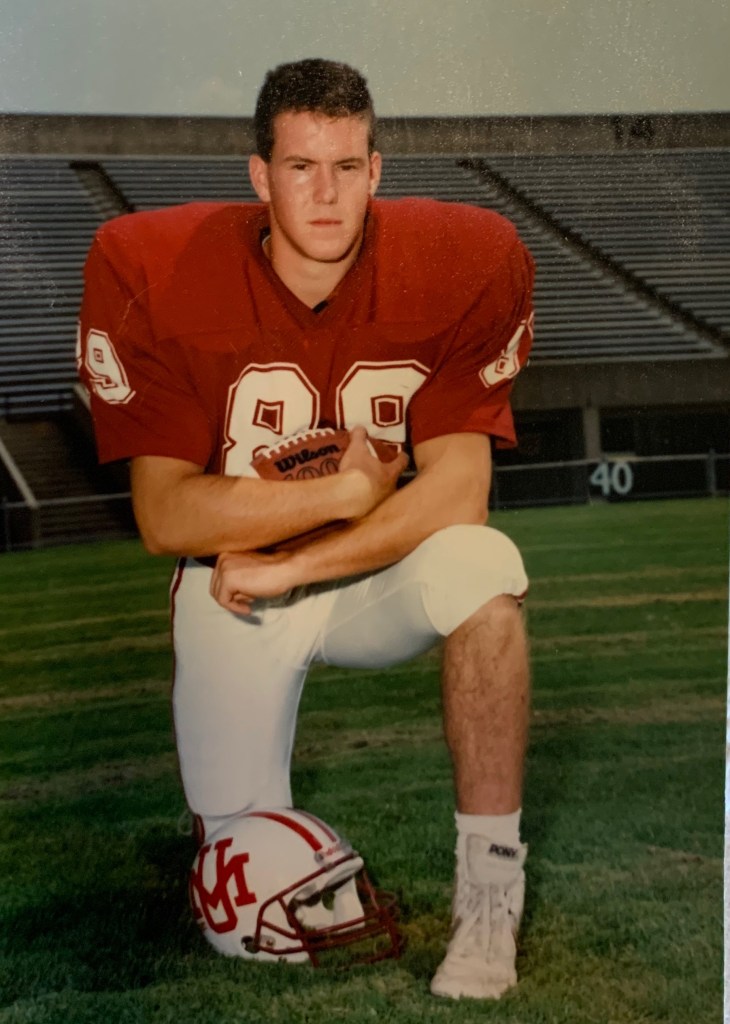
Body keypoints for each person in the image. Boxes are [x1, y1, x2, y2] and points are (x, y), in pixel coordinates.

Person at [78, 58, 534, 1000]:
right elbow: (166, 514)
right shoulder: (151, 265)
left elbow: (458, 493)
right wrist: (342, 493)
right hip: (232, 584)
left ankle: (490, 900)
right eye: (299, 167)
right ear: (259, 175)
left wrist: (308, 562)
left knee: (486, 571)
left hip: (362, 576)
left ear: (377, 170)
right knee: (240, 884)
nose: (324, 194)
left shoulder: (466, 259)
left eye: (345, 166)